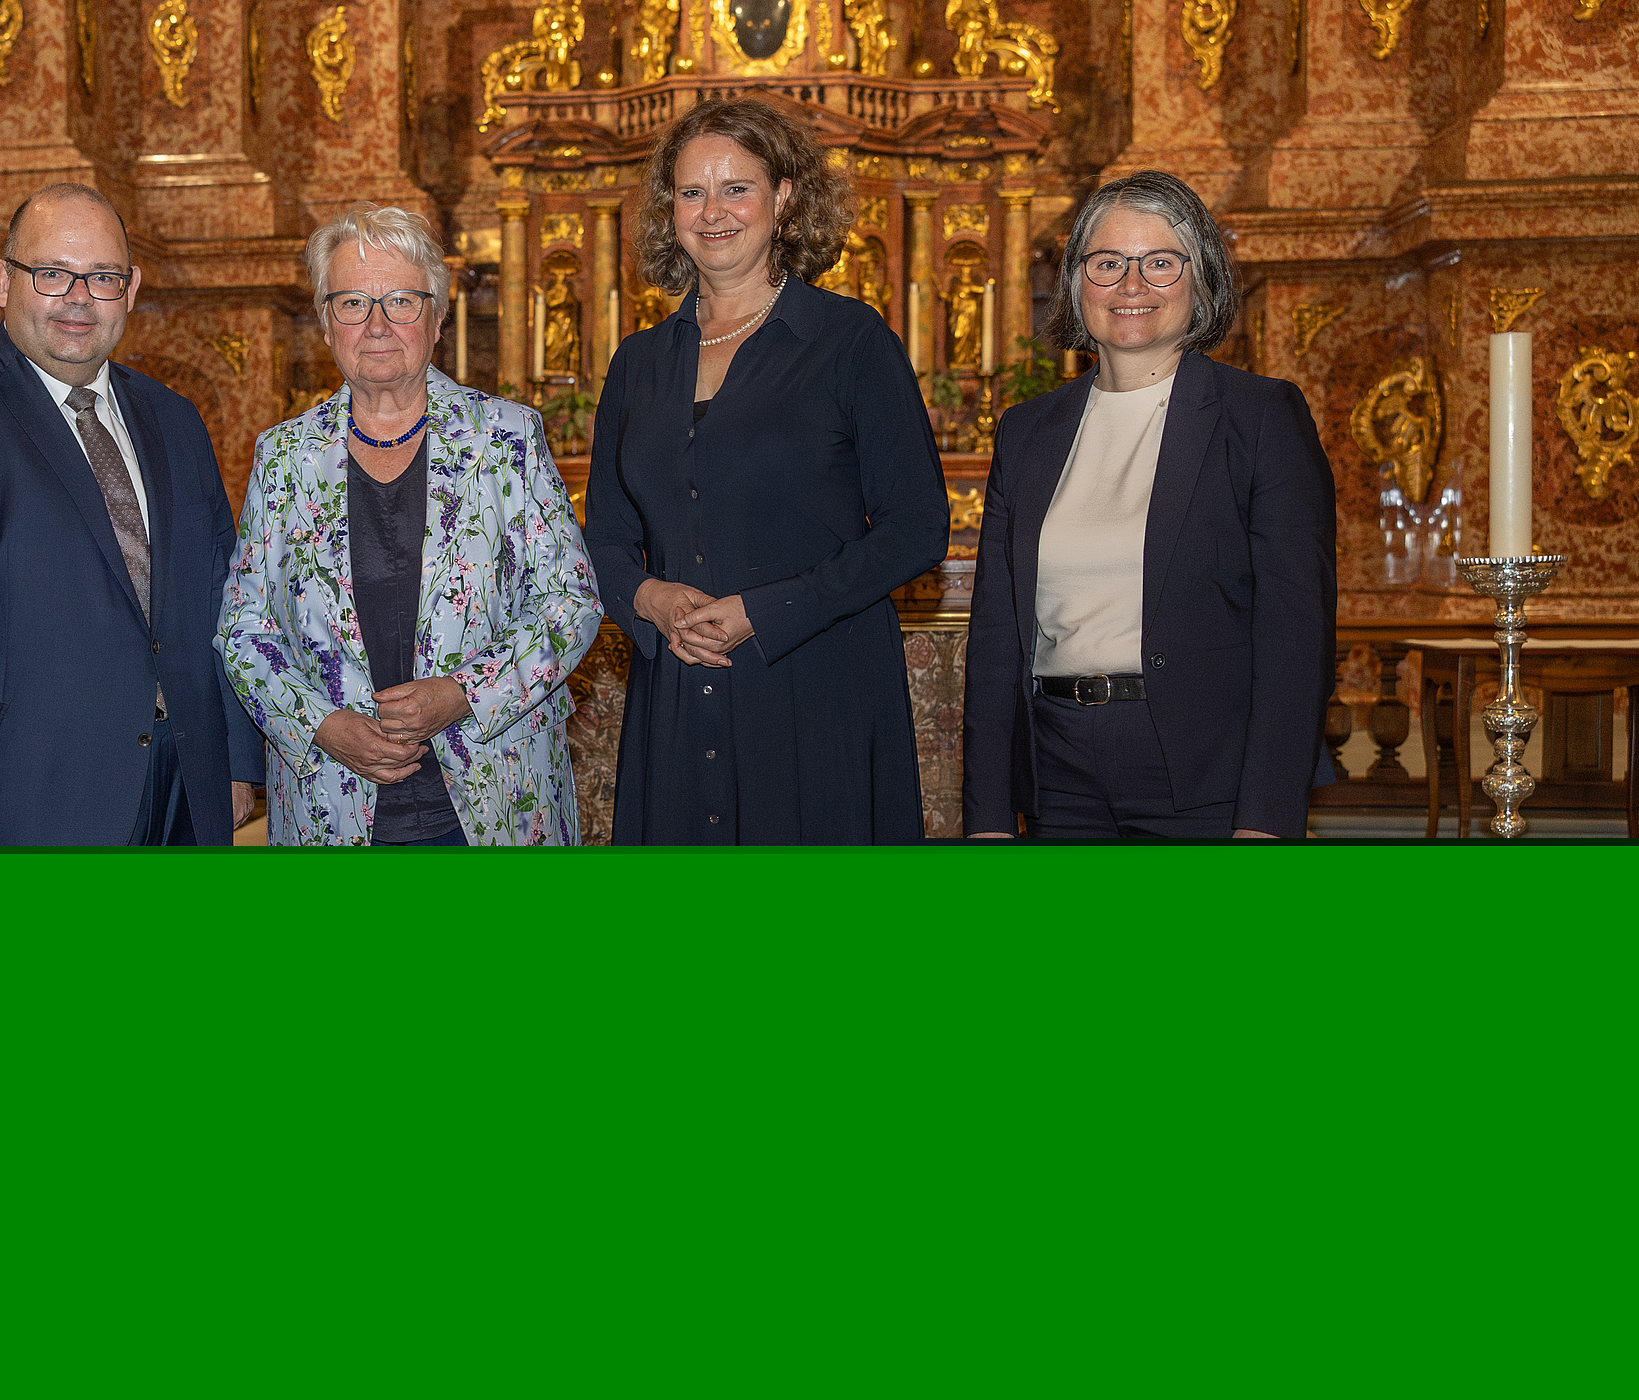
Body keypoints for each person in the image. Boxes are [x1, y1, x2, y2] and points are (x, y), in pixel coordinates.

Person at [0, 183, 261, 845]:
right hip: (14, 793)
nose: (78, 297)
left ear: (131, 288)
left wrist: (235, 758)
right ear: (2, 281)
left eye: (102, 276)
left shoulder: (175, 418)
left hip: (182, 786)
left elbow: (220, 596)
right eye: (52, 273)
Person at [586, 98, 948, 844]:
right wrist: (649, 599)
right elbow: (604, 538)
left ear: (783, 198)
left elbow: (917, 528)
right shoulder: (638, 363)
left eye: (736, 189)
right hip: (678, 692)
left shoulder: (849, 341)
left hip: (818, 689)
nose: (712, 212)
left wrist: (768, 610)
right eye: (691, 192)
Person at [963, 169, 1336, 839]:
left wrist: (1266, 822)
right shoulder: (1027, 432)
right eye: (1107, 263)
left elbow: (1295, 637)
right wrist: (988, 819)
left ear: (1202, 279)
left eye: (1160, 263)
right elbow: (996, 637)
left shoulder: (1259, 418)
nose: (1131, 285)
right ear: (1076, 282)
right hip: (1057, 775)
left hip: (1205, 774)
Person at [218, 204, 600, 845]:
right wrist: (320, 725)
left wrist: (464, 692)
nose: (377, 325)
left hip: (497, 800)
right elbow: (243, 626)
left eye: (401, 301)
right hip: (330, 802)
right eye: (352, 303)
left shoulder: (506, 438)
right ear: (325, 322)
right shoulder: (285, 456)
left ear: (438, 317)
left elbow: (571, 602)